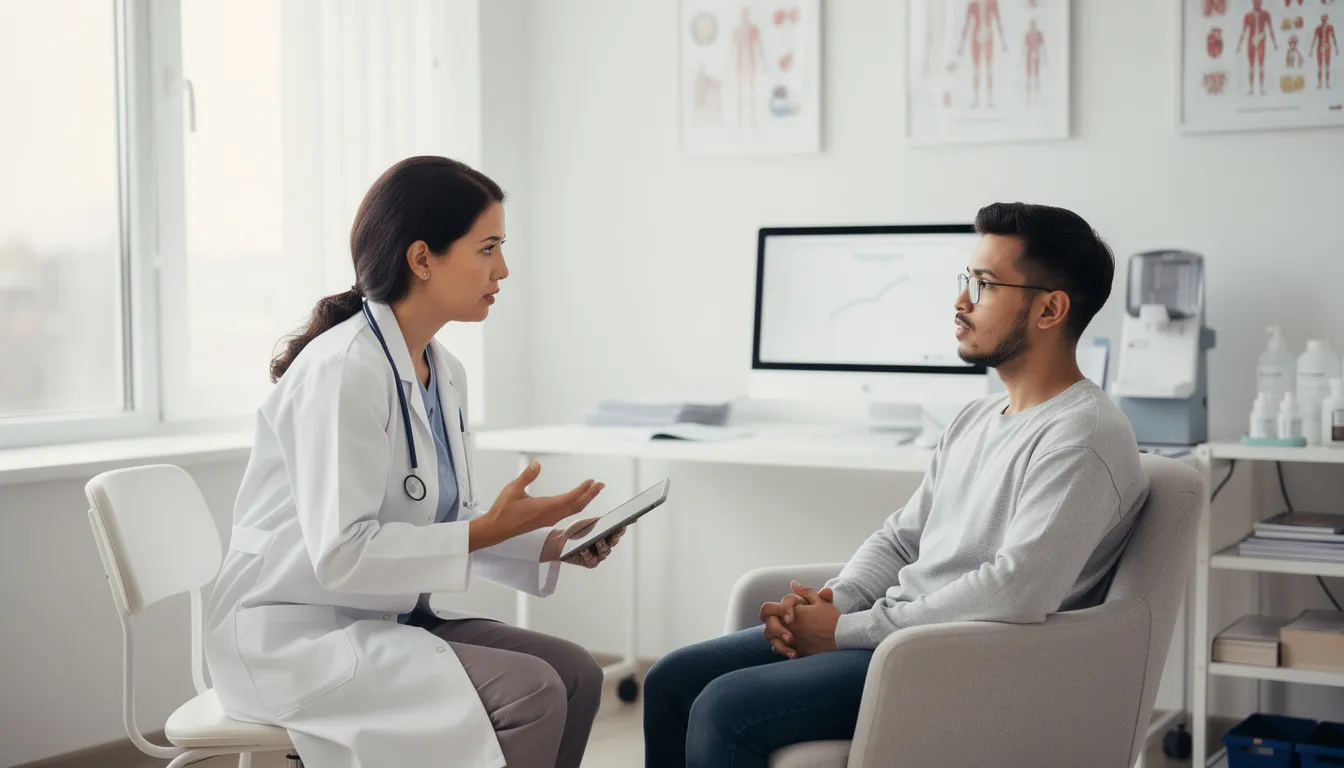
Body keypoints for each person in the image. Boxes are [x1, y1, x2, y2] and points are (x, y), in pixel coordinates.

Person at [643, 203, 1149, 768]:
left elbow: (1016, 590)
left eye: (983, 285)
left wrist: (844, 631)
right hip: (895, 635)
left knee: (723, 707)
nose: (961, 302)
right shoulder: (976, 418)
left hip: (958, 661)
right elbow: (903, 539)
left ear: (1050, 309)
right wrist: (834, 602)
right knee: (671, 680)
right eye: (967, 280)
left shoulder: (1083, 436)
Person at [205, 156, 627, 768]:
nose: (503, 270)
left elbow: (443, 522)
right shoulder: (344, 370)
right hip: (294, 637)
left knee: (578, 674)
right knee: (533, 691)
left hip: (385, 617)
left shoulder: (443, 371)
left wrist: (549, 543)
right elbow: (342, 555)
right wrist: (489, 529)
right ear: (423, 259)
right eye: (487, 248)